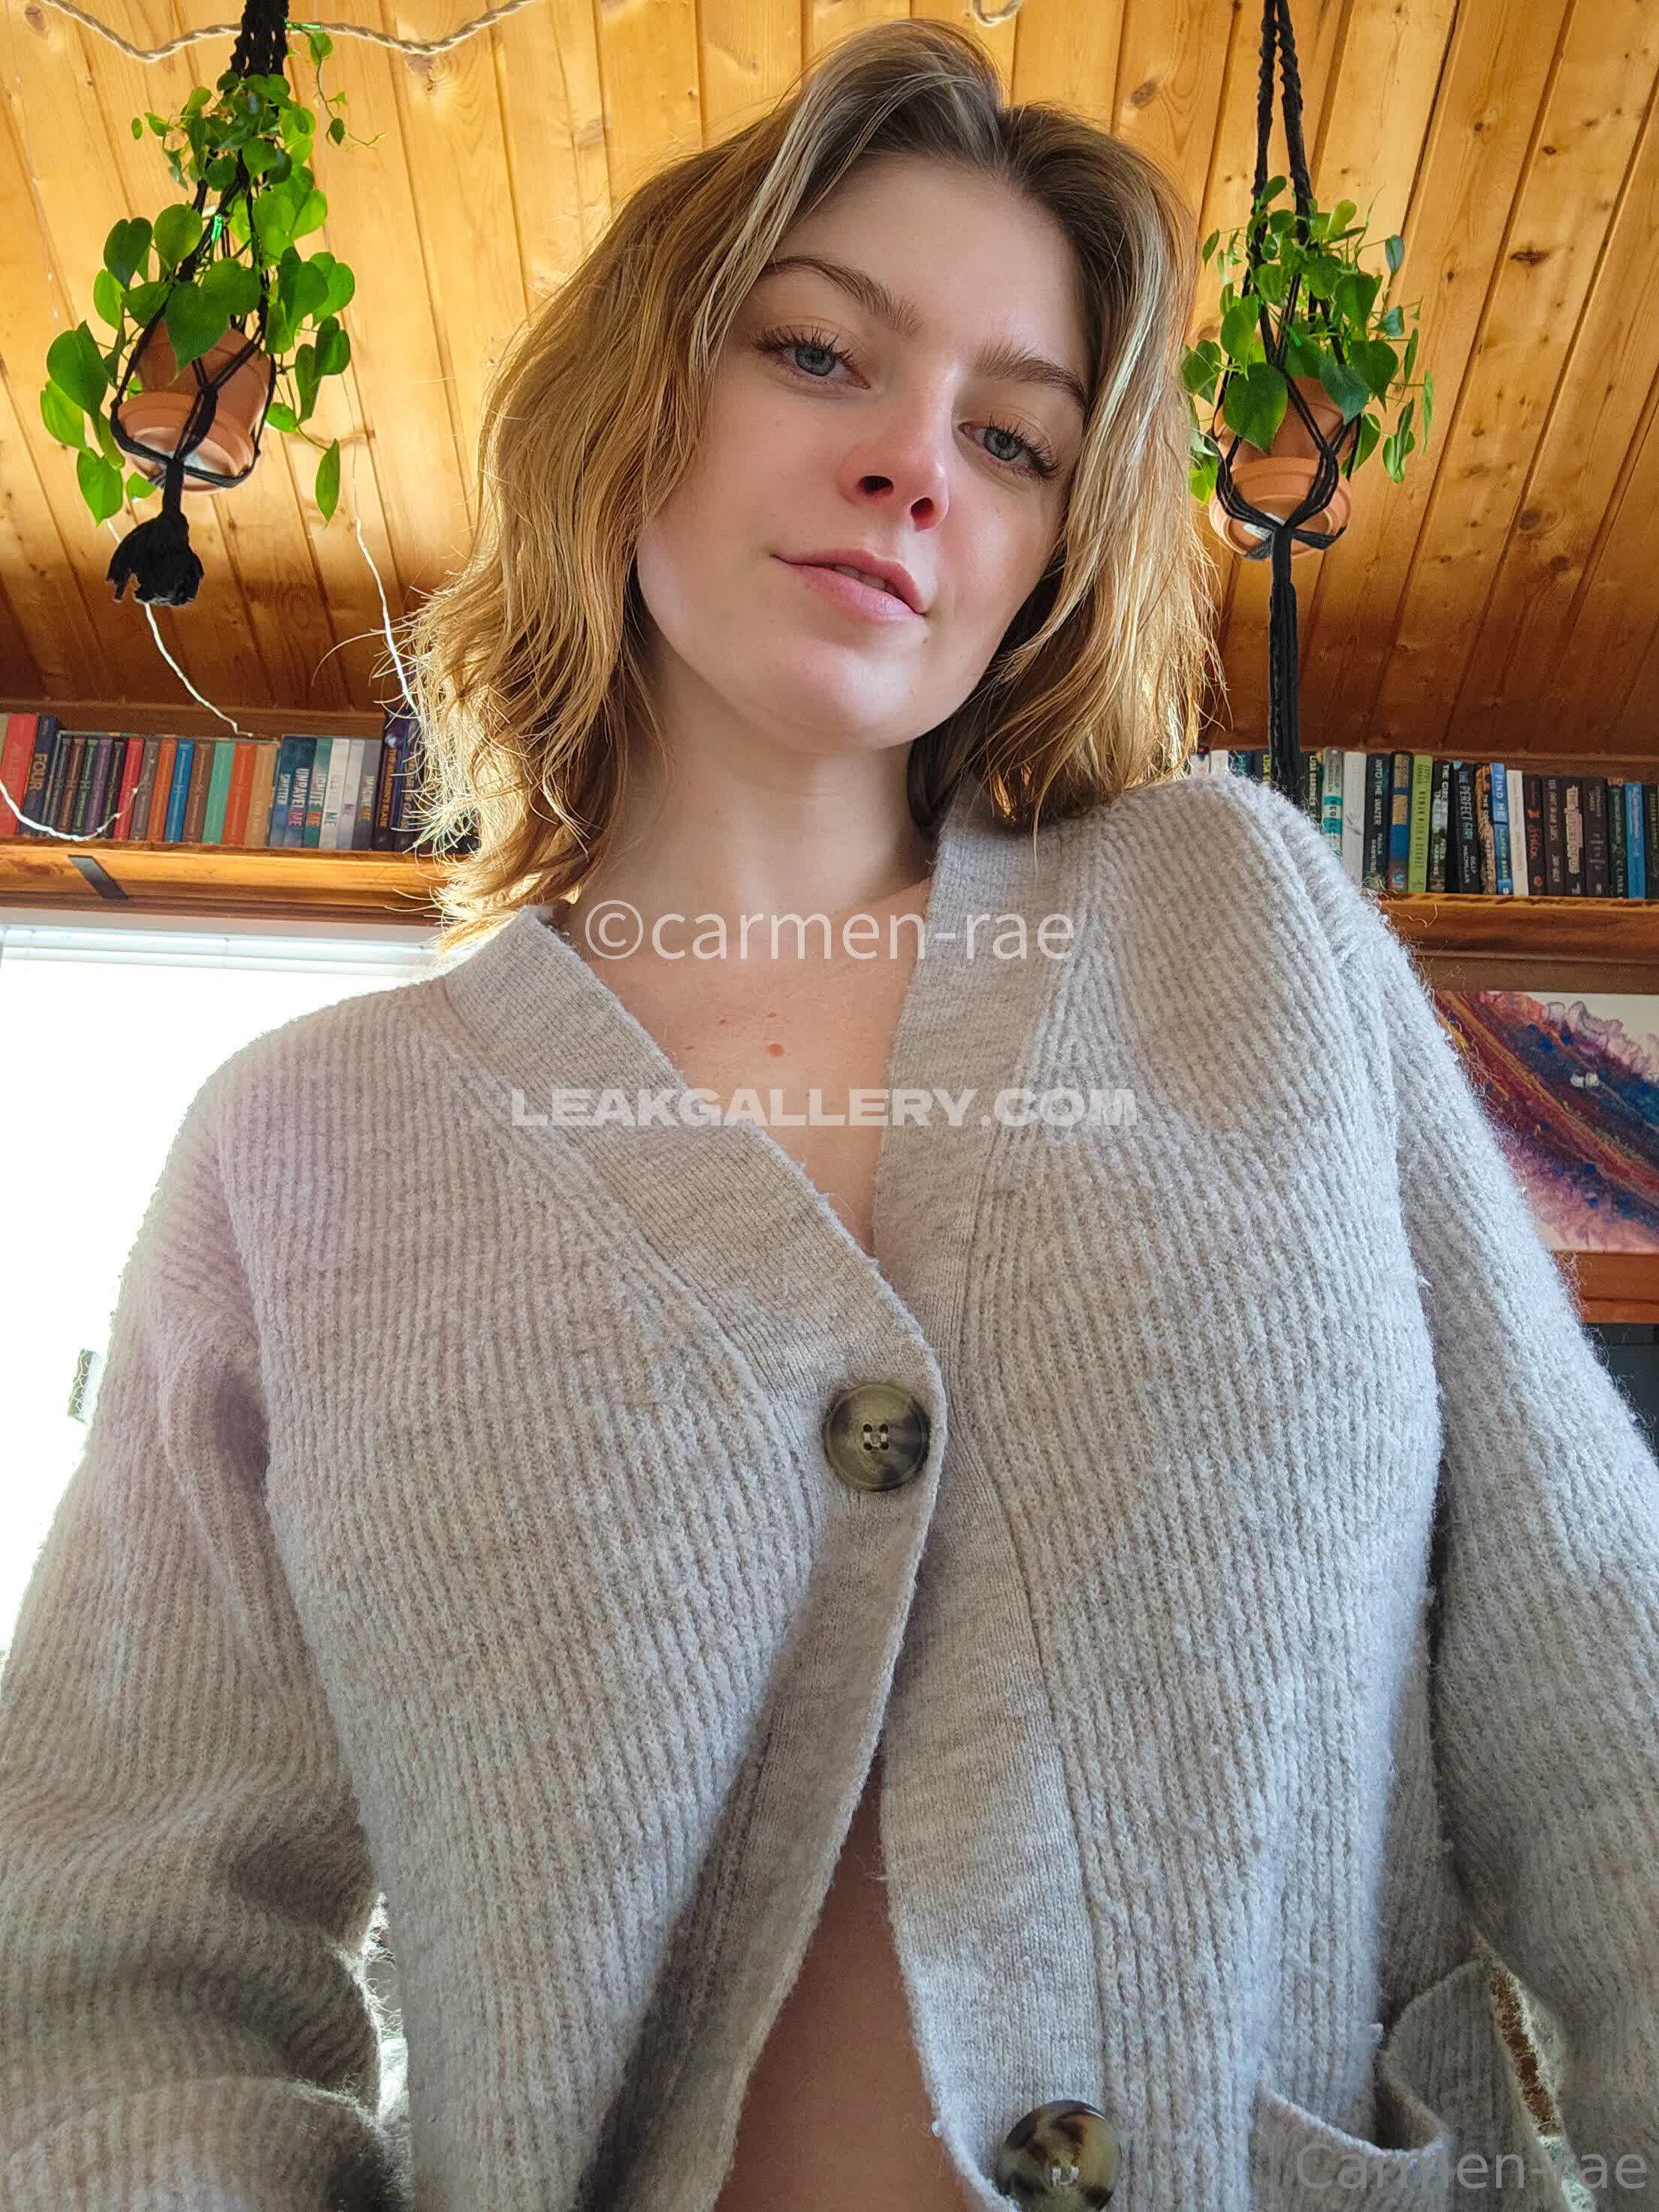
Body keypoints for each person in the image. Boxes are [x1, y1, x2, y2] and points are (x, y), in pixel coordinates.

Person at [3, 20, 1657, 2212]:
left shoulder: (1239, 933)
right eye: (815, 353)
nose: (916, 467)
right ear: (633, 403)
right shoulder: (297, 1150)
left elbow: (1593, 1653)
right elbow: (116, 1956)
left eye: (1015, 437)